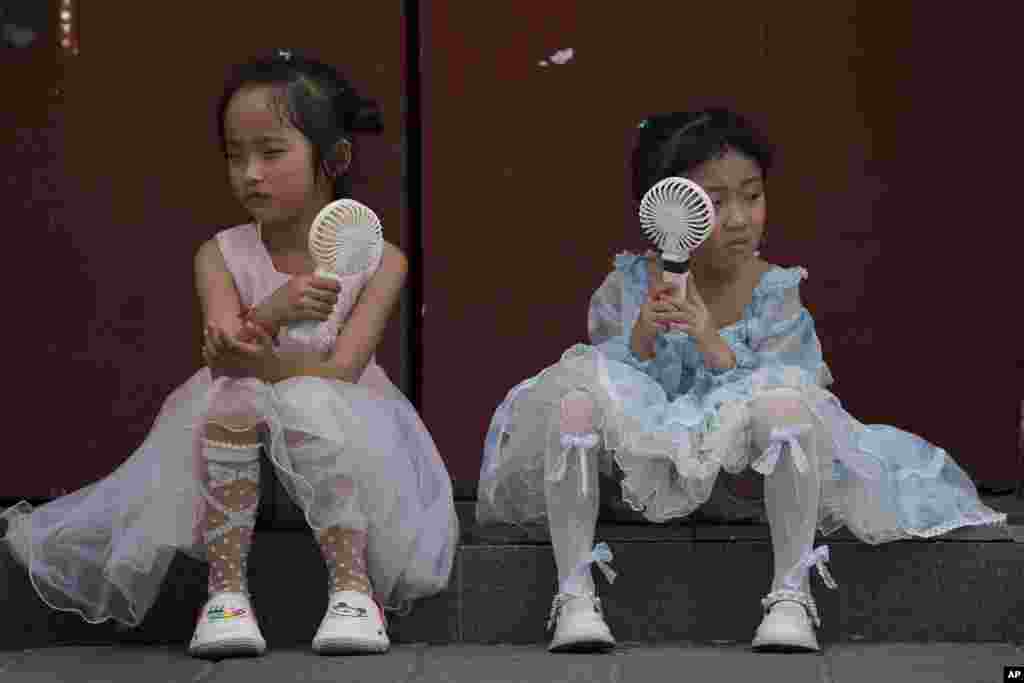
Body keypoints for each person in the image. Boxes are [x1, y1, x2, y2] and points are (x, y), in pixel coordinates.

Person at [476, 108, 1006, 653]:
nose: (738, 217)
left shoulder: (774, 290)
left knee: (785, 409)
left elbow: (796, 389)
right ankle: (575, 595)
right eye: (714, 200)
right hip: (643, 478)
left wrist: (711, 338)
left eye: (752, 196)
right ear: (668, 208)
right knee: (575, 401)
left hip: (743, 480)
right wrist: (640, 336)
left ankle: (790, 594)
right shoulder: (631, 282)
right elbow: (617, 382)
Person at [2, 49, 458, 659]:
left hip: (347, 414)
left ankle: (353, 589)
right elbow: (223, 354)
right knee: (234, 396)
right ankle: (225, 591)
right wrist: (275, 309)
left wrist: (258, 359)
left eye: (271, 153)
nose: (250, 173)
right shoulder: (219, 254)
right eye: (235, 155)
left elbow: (344, 369)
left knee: (310, 401)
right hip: (237, 409)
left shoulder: (382, 261)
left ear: (334, 159)